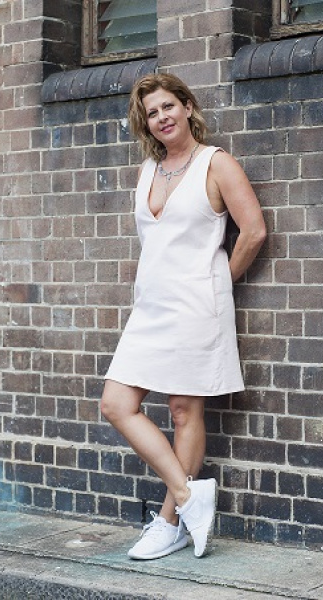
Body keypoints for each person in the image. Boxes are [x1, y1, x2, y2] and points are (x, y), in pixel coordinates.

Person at [100, 73, 267, 560]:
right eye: (152, 113)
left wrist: (218, 281)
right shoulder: (148, 170)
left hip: (197, 305)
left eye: (168, 106)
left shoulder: (216, 163)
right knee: (116, 404)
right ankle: (190, 494)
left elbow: (254, 231)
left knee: (183, 410)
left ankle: (171, 522)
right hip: (151, 307)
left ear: (188, 107)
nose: (161, 118)